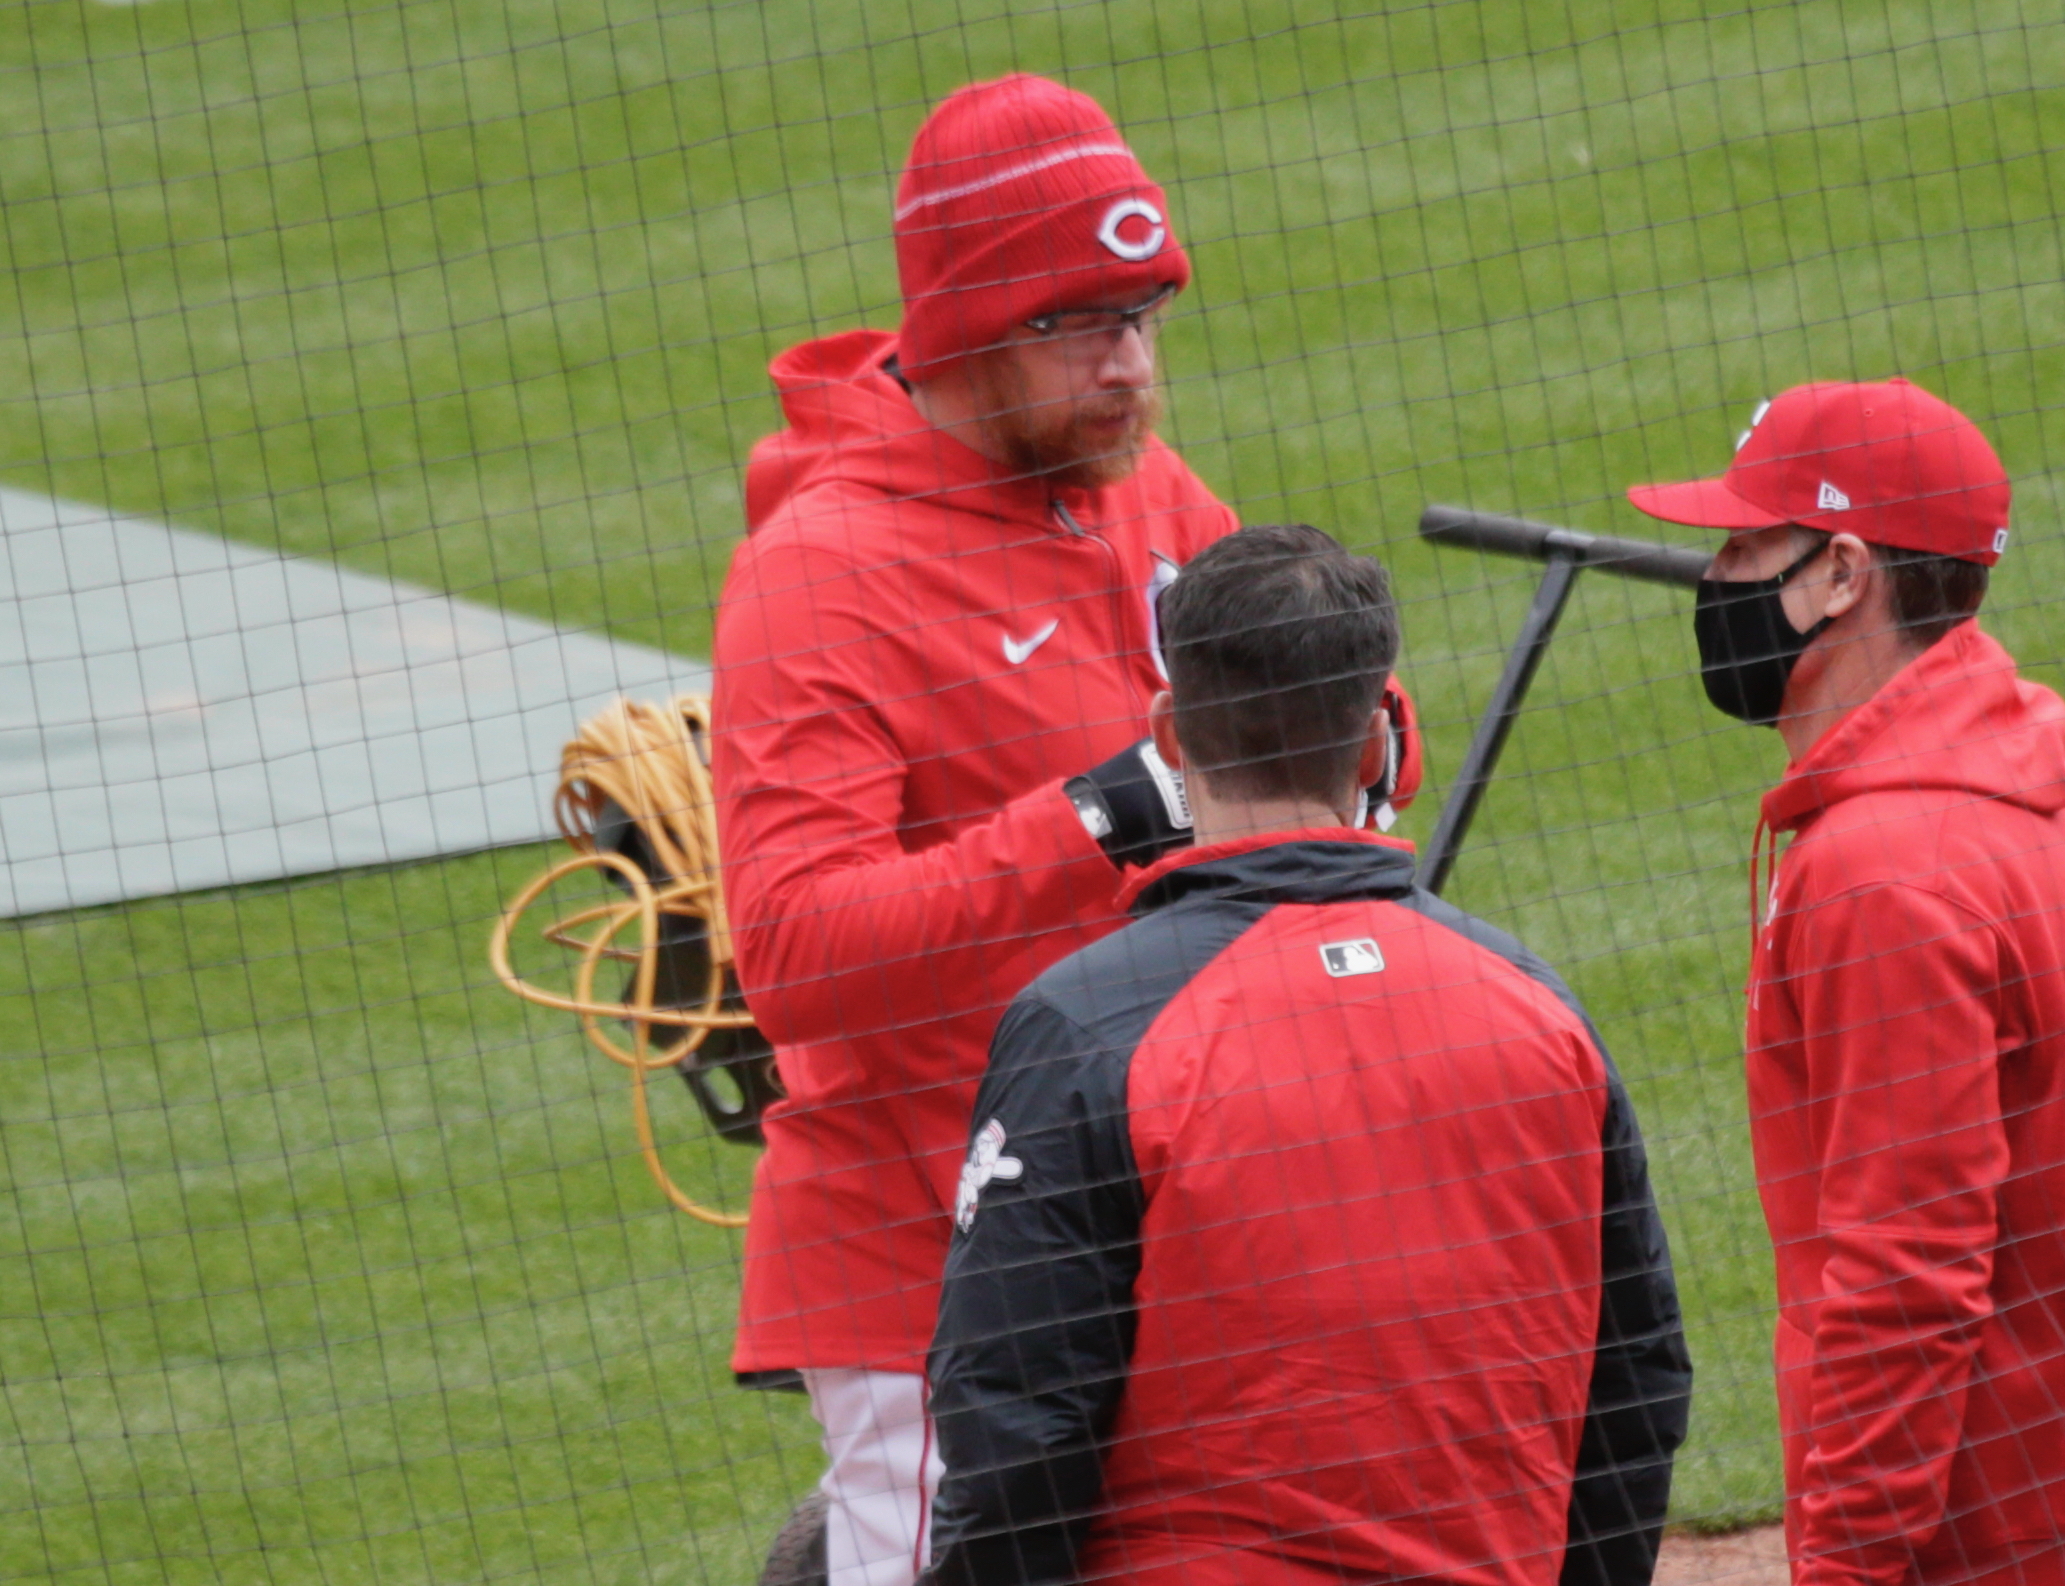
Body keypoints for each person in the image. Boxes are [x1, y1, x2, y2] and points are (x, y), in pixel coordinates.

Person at [710, 76, 1419, 1586]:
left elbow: (1280, 671)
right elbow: (792, 959)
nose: (1132, 369)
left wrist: (1360, 721)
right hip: (922, 1251)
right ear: (965, 321)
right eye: (1081, 323)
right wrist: (1100, 816)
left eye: (1147, 317)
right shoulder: (817, 576)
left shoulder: (1137, 488)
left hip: (1168, 1209)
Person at [922, 525, 1691, 1586]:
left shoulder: (1087, 1019)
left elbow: (1014, 1420)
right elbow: (1638, 1380)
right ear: (1379, 741)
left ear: (1170, 737)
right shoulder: (1537, 1005)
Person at [1628, 380, 2065, 1586]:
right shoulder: (2037, 788)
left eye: (1742, 544)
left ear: (1843, 573)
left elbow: (1908, 1277)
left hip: (1982, 1537)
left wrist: (1841, 1562)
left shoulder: (1883, 873)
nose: (1712, 578)